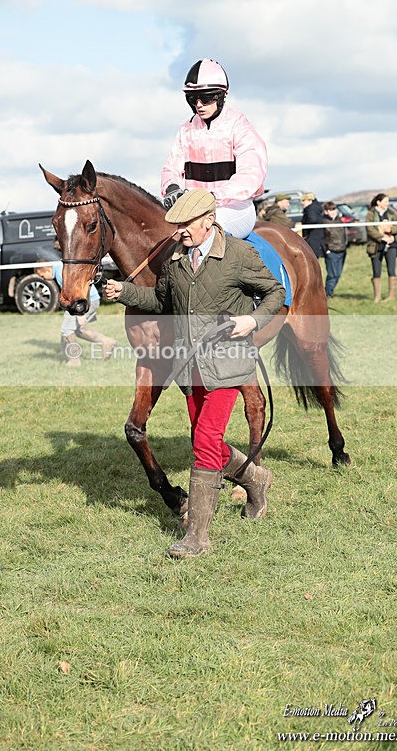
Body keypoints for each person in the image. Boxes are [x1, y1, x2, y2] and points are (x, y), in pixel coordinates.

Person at [103, 189, 285, 558]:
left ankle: (197, 538)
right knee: (210, 445)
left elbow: (275, 293)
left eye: (185, 225)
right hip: (190, 365)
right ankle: (255, 478)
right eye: (176, 225)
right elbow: (161, 302)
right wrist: (124, 291)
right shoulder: (175, 258)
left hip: (227, 363)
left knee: (204, 442)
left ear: (207, 219)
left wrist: (252, 319)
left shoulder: (238, 255)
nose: (179, 232)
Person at [161, 59, 268, 239]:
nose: (199, 104)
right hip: (194, 211)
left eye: (206, 97)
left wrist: (213, 197)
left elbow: (251, 175)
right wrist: (171, 186)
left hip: (235, 209)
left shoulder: (239, 126)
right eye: (193, 98)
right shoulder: (185, 130)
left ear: (221, 96)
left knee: (205, 231)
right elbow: (171, 167)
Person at [36, 261, 116, 366]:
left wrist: (80, 314)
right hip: (91, 300)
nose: (43, 278)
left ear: (47, 269)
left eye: (42, 275)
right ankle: (106, 342)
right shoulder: (61, 267)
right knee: (78, 330)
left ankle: (74, 360)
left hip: (83, 301)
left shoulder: (61, 272)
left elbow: (76, 292)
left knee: (67, 329)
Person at [365, 193, 397, 302]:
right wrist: (382, 237)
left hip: (392, 245)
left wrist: (391, 232)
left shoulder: (391, 213)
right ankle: (377, 296)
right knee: (376, 271)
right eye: (385, 201)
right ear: (379, 202)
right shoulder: (371, 214)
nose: (387, 203)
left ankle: (391, 296)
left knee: (391, 270)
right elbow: (370, 229)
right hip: (376, 246)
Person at [322, 201, 347, 299]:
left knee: (338, 274)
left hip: (342, 250)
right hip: (331, 251)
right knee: (332, 275)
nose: (333, 212)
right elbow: (322, 237)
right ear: (326, 211)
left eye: (334, 209)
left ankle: (328, 291)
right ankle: (327, 294)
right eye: (330, 210)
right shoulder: (323, 222)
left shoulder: (339, 220)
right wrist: (327, 250)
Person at [301, 192, 325, 258]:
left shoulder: (311, 209)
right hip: (314, 237)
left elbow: (313, 220)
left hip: (313, 238)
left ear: (310, 200)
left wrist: (305, 225)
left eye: (303, 200)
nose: (302, 203)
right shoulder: (314, 208)